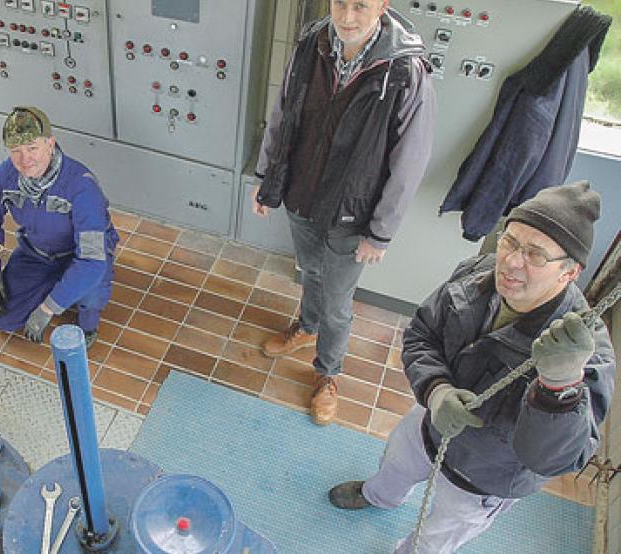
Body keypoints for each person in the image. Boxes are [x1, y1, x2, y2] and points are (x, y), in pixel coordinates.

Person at [328, 181, 615, 554]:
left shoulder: (587, 352)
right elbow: (421, 334)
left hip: (486, 476)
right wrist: (436, 391)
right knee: (395, 463)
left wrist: (560, 386)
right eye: (509, 241)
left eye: (535, 254)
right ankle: (379, 495)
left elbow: (552, 460)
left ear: (570, 272)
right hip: (430, 421)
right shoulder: (476, 274)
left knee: (436, 538)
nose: (511, 262)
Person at [251, 0, 437, 425]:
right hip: (303, 194)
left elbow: (410, 161)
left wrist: (381, 232)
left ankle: (328, 373)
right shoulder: (309, 46)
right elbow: (282, 115)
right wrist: (267, 178)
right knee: (310, 270)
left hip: (354, 212)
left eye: (361, 6)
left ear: (383, 5)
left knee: (338, 301)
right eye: (340, 2)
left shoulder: (406, 71)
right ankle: (306, 327)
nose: (347, 17)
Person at [0, 107, 118, 347]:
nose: (25, 159)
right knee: (2, 319)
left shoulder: (81, 186)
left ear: (50, 144)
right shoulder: (4, 177)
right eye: (16, 151)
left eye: (32, 148)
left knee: (91, 299)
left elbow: (92, 261)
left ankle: (81, 309)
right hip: (37, 253)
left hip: (81, 256)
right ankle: (58, 286)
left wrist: (47, 308)